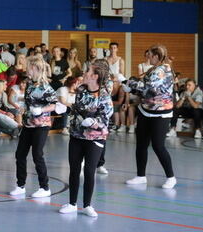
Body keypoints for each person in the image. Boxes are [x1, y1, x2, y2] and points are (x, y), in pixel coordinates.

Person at [60, 60, 113, 218]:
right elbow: (77, 109)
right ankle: (72, 203)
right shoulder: (81, 89)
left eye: (87, 72)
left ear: (95, 76)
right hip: (76, 136)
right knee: (74, 169)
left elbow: (105, 122)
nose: (84, 74)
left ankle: (87, 205)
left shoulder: (104, 96)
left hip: (95, 139)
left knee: (89, 171)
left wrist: (94, 123)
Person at [123, 45, 176, 189]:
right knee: (141, 145)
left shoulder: (162, 70)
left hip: (161, 114)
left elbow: (149, 90)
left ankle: (171, 177)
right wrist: (131, 87)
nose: (148, 57)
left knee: (158, 146)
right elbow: (144, 88)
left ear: (157, 57)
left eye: (150, 55)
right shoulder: (153, 69)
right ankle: (141, 176)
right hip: (146, 110)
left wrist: (128, 83)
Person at [10, 57, 56, 198]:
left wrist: (42, 110)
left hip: (41, 126)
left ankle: (44, 187)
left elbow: (54, 105)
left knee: (37, 154)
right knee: (20, 154)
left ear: (35, 68)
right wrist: (23, 109)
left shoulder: (46, 87)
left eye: (29, 67)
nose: (26, 69)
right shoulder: (30, 84)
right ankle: (20, 185)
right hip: (28, 124)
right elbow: (29, 102)